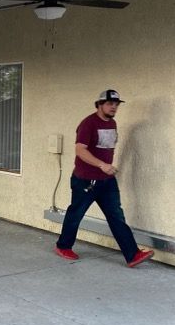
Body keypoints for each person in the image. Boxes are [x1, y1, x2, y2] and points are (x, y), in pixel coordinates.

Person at [55, 88, 154, 267]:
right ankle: (63, 246)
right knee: (75, 214)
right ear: (99, 105)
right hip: (85, 180)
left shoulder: (112, 123)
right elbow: (80, 150)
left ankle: (132, 255)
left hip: (106, 181)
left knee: (116, 216)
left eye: (116, 104)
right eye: (110, 103)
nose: (114, 107)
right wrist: (102, 165)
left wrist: (106, 169)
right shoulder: (88, 124)